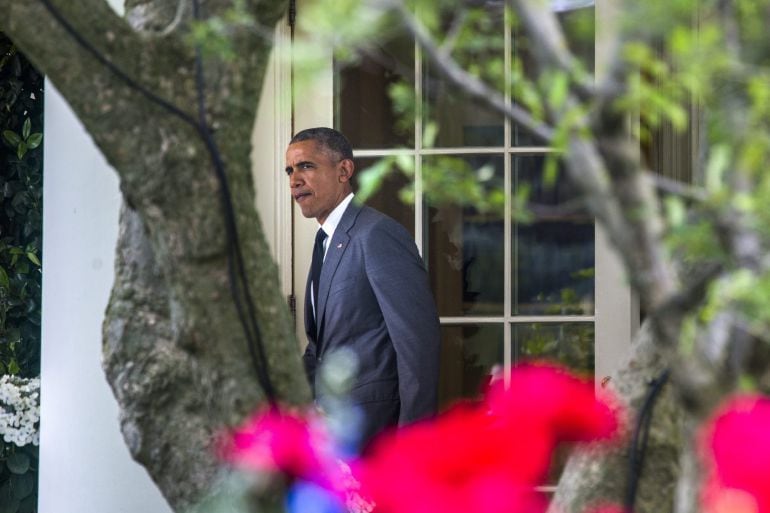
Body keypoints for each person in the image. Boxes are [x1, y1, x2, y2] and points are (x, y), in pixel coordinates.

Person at [285, 127, 441, 446]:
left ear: (344, 170)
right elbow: (320, 348)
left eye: (306, 166)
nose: (294, 180)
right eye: (290, 170)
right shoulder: (326, 242)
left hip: (379, 437)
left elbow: (418, 344)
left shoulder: (376, 234)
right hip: (335, 439)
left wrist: (412, 445)